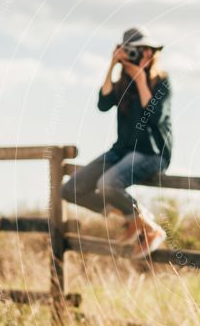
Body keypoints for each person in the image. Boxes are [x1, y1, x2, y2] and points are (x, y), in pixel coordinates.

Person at [62, 27, 172, 259]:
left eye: (148, 51)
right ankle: (133, 219)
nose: (144, 56)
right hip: (122, 150)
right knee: (70, 189)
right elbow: (102, 104)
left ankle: (150, 227)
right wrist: (112, 66)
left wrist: (141, 78)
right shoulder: (122, 83)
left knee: (108, 183)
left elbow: (153, 117)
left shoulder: (162, 82)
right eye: (138, 51)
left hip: (152, 152)